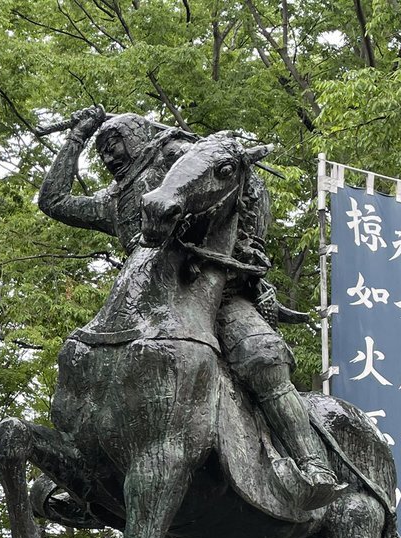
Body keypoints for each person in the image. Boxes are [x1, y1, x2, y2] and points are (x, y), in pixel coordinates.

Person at [38, 105, 341, 509]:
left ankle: (312, 464)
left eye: (114, 142)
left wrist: (250, 253)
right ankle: (89, 470)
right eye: (102, 150)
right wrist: (77, 136)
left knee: (262, 358)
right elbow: (54, 200)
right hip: (146, 302)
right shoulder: (113, 203)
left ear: (139, 137)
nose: (108, 155)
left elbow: (234, 173)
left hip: (218, 293)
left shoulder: (177, 162)